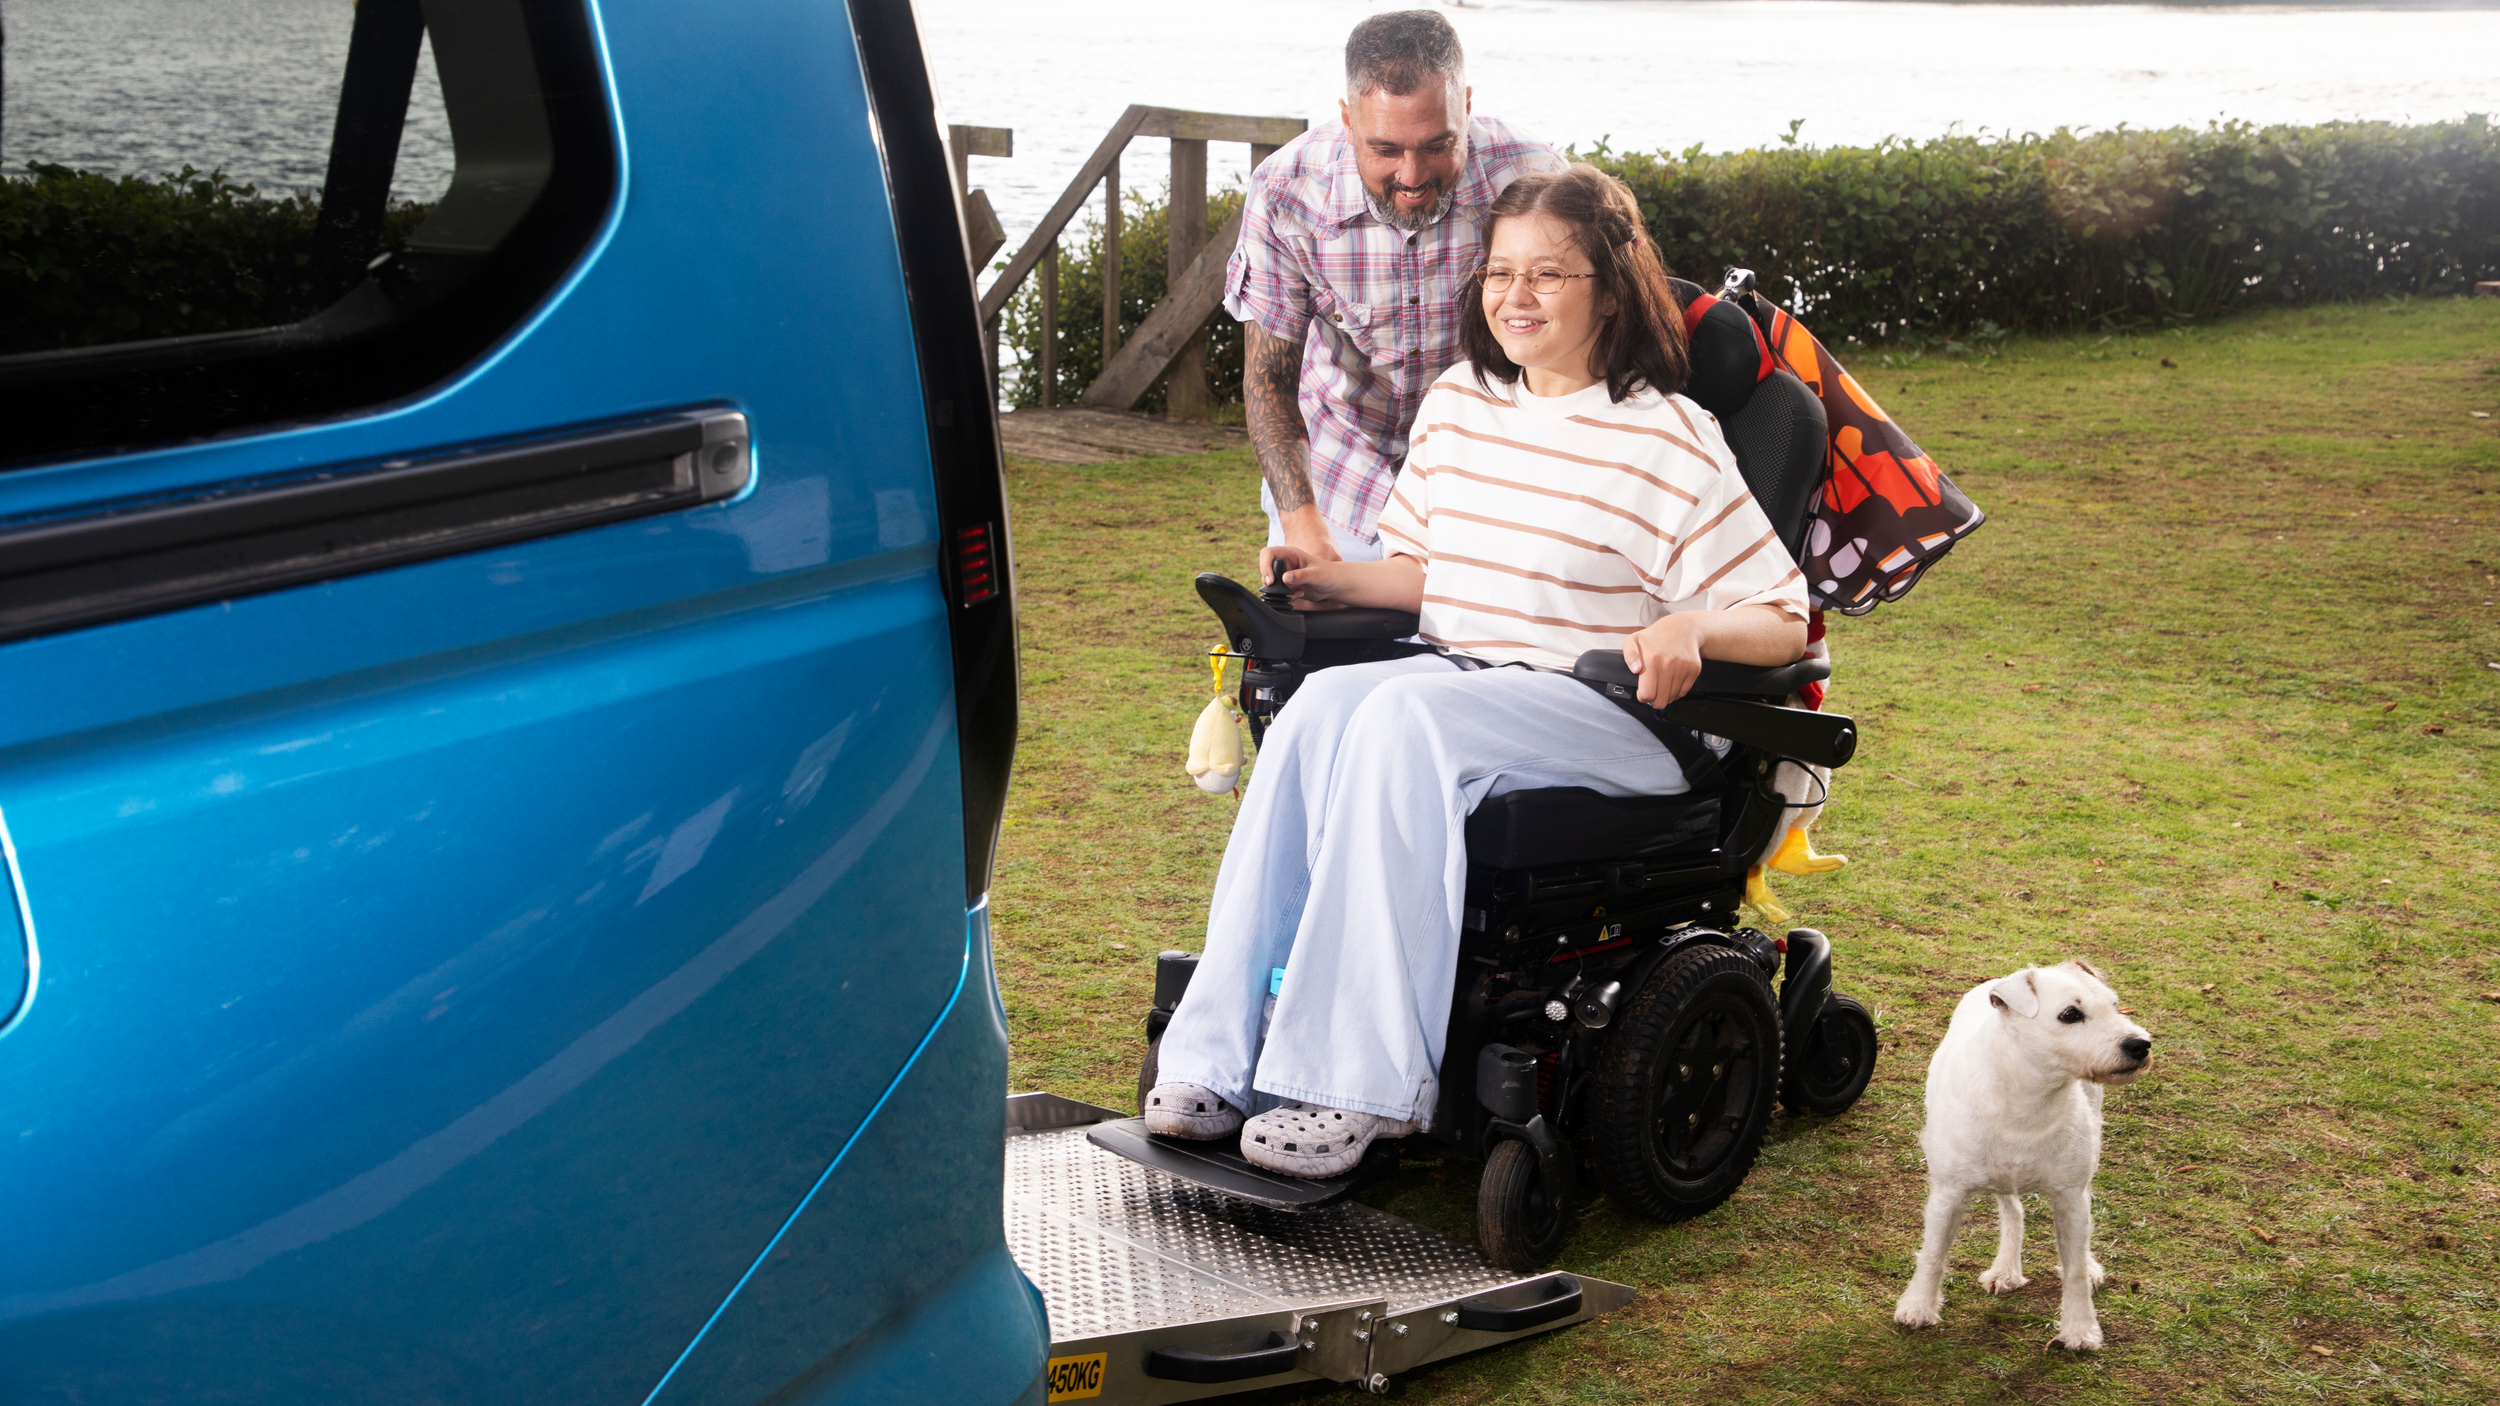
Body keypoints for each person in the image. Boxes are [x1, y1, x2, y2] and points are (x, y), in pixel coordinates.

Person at [1149, 165, 1811, 1178]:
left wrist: (1692, 628)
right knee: (1325, 704)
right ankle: (1220, 1053)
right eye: (1501, 271)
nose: (1517, 295)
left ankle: (1353, 1085)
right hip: (1464, 677)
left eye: (1550, 273)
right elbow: (1424, 574)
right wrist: (1333, 580)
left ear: (1612, 285)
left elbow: (1780, 617)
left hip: (1613, 714)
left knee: (1401, 719)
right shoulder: (1461, 403)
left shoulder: (1670, 436)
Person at [1227, 9, 1561, 566]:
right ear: (1347, 120)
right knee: (1318, 652)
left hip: (1487, 489)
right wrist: (1302, 526)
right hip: (1336, 488)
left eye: (1436, 145)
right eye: (1385, 149)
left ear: (1467, 107)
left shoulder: (1534, 177)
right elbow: (1268, 385)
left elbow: (1577, 349)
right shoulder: (1285, 192)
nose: (1412, 176)